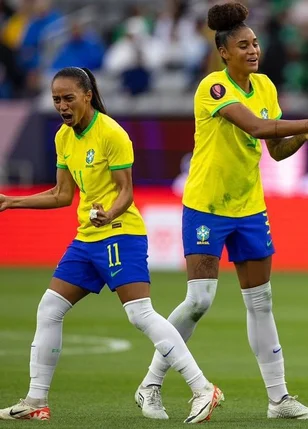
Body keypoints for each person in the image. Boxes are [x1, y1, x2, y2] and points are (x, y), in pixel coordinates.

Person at [135, 2, 308, 421]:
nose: (253, 50)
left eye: (255, 43)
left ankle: (279, 400)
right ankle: (150, 384)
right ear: (224, 52)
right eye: (243, 45)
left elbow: (275, 150)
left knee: (261, 302)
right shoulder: (213, 88)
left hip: (249, 207)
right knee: (199, 300)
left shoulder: (266, 87)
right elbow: (257, 128)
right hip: (207, 205)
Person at [0, 67, 221, 424]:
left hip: (120, 233)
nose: (62, 106)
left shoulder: (111, 133)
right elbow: (62, 195)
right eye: (56, 99)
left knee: (140, 314)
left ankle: (202, 388)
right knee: (49, 308)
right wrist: (13, 201)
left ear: (87, 95)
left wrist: (108, 215)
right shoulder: (63, 137)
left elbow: (126, 193)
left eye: (68, 98)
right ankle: (36, 401)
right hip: (87, 238)